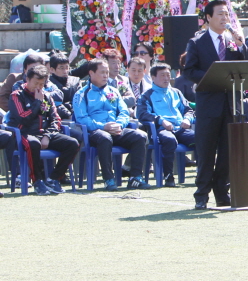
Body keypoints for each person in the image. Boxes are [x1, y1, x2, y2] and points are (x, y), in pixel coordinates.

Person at [183, 0, 248, 209]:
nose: (224, 18)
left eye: (226, 14)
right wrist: (214, 77)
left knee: (227, 151)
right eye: (220, 14)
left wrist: (242, 46)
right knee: (206, 150)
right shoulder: (197, 42)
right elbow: (189, 70)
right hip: (208, 104)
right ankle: (201, 194)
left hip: (231, 104)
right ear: (208, 18)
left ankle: (223, 192)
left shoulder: (232, 41)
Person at [73, 59, 149, 191]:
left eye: (107, 72)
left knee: (140, 135)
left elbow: (124, 112)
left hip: (116, 129)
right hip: (96, 132)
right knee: (104, 138)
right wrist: (103, 126)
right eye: (102, 72)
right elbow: (82, 119)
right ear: (91, 73)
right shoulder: (81, 94)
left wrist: (119, 124)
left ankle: (135, 177)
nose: (105, 75)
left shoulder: (113, 91)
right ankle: (108, 179)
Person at [7, 64, 80, 195]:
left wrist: (48, 135)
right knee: (33, 144)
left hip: (44, 134)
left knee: (72, 143)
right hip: (24, 133)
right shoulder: (16, 95)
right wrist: (37, 103)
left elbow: (55, 119)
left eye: (42, 84)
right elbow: (23, 118)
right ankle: (37, 181)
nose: (39, 87)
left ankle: (53, 179)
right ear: (27, 79)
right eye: (36, 83)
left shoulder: (47, 96)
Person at [137, 63, 196, 187]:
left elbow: (188, 109)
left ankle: (202, 173)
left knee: (200, 138)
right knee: (169, 140)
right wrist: (160, 120)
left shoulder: (176, 92)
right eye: (162, 75)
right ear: (153, 77)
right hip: (160, 130)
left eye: (168, 75)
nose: (166, 78)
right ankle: (168, 175)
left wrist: (187, 119)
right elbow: (142, 114)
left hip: (180, 128)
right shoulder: (147, 95)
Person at [48, 52, 81, 120]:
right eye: (61, 68)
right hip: (57, 117)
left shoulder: (75, 81)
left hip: (76, 114)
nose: (65, 71)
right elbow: (53, 104)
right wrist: (68, 115)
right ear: (52, 69)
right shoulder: (48, 83)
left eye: (67, 67)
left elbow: (79, 99)